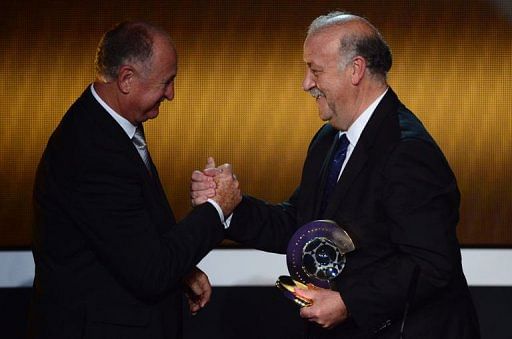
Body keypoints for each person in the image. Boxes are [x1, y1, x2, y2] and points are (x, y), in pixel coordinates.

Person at [191, 12, 480, 338]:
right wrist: (229, 206)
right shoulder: (330, 139)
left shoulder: (406, 151)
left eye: (315, 70)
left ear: (355, 70)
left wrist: (348, 302)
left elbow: (431, 263)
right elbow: (300, 224)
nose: (306, 84)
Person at [28, 21, 241, 339]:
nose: (171, 94)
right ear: (126, 79)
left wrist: (180, 269)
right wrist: (216, 208)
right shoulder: (92, 150)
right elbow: (150, 272)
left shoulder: (108, 127)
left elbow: (128, 234)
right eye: (166, 82)